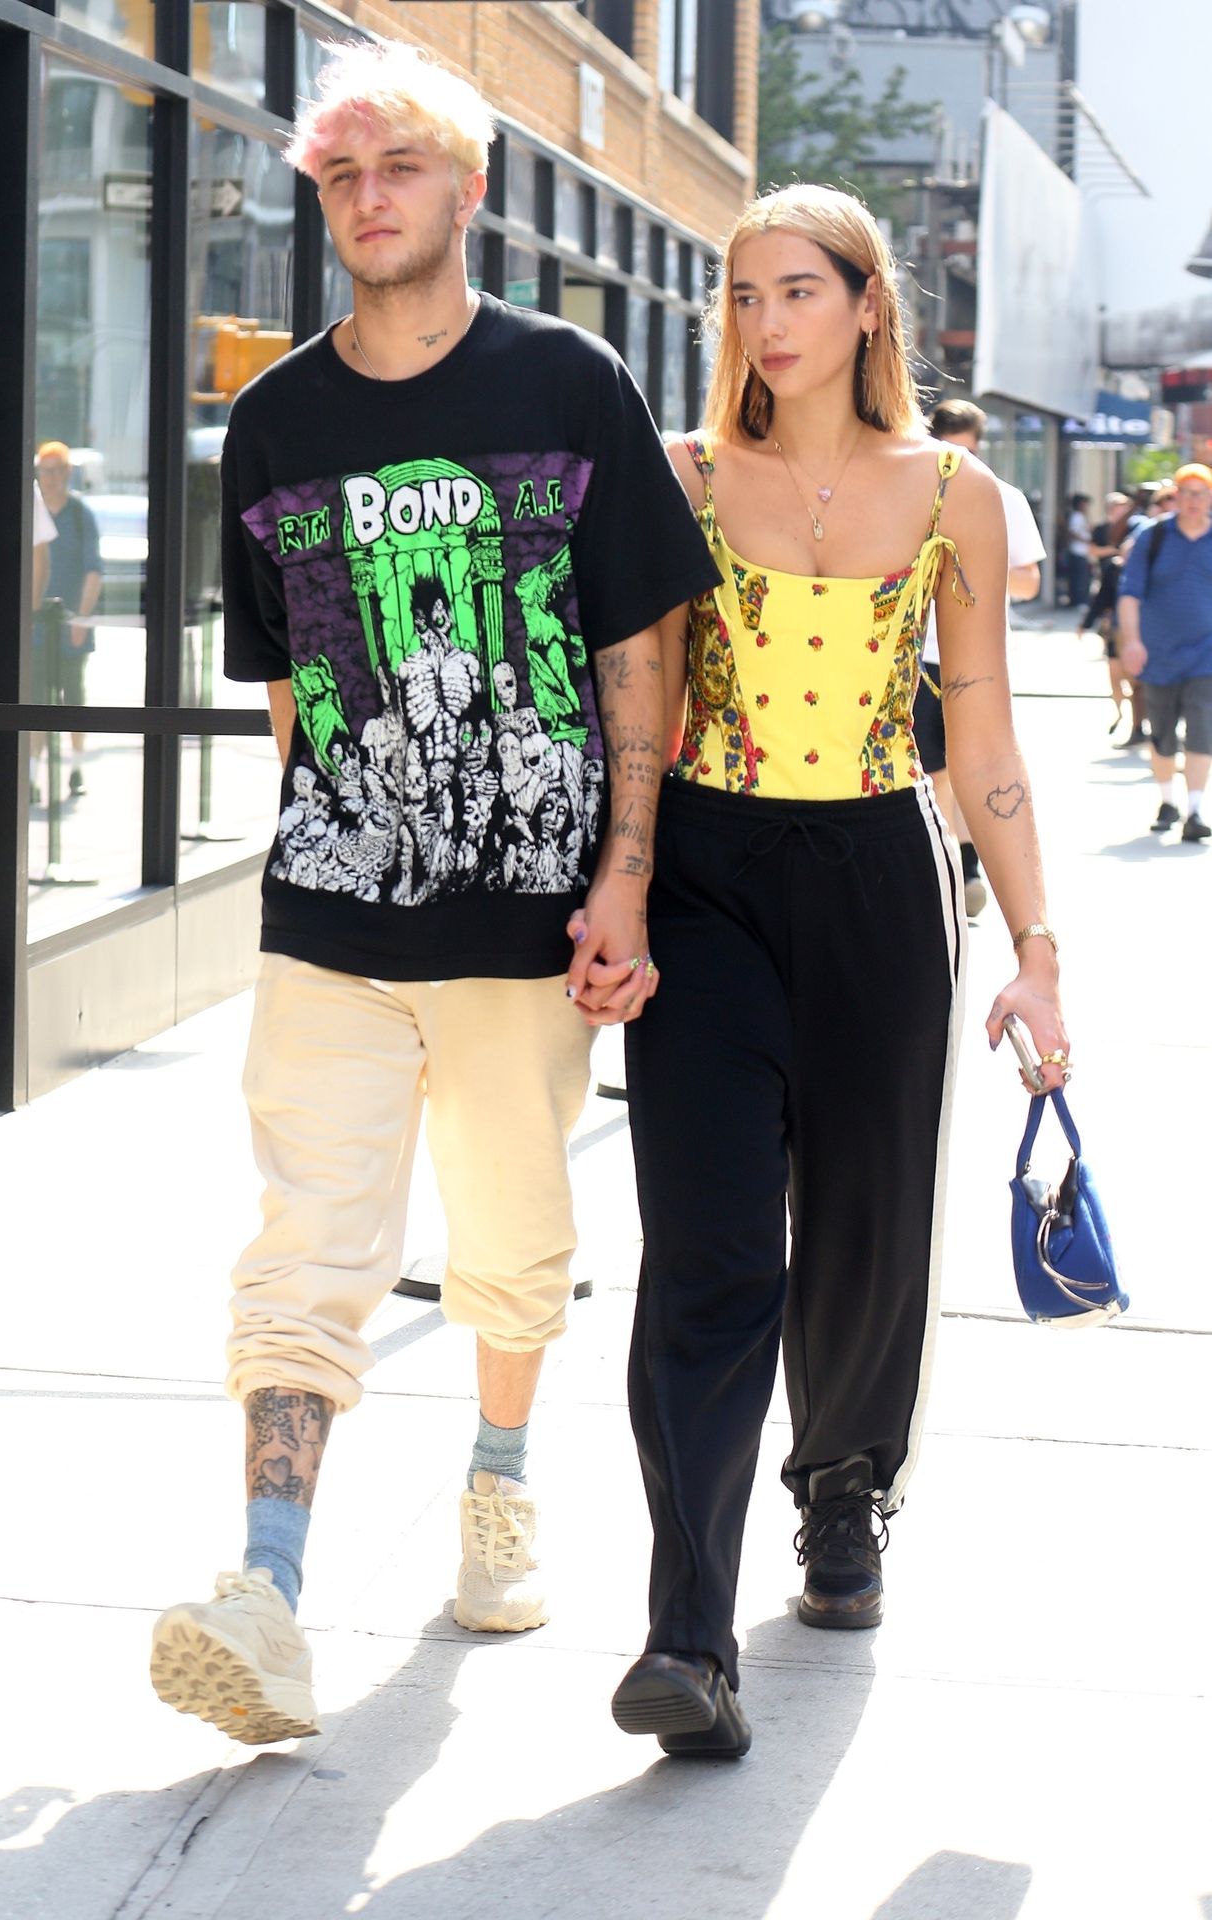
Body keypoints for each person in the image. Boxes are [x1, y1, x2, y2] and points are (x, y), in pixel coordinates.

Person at [148, 39, 718, 1747]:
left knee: (512, 1235)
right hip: (331, 914)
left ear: (467, 191)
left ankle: (498, 1483)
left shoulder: (567, 382)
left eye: (395, 166)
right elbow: (288, 689)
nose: (365, 196)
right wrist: (343, 835)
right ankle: (264, 1589)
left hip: (525, 918)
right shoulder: (274, 419)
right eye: (339, 174)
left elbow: (640, 649)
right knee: (302, 1249)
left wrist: (623, 880)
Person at [608, 185, 1069, 1760]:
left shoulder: (954, 496)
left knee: (867, 1229)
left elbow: (980, 733)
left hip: (879, 875)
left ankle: (841, 1495)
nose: (764, 323)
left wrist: (1035, 951)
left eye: (795, 290)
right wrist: (621, 889)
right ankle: (684, 1633)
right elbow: (642, 709)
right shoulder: (679, 480)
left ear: (867, 303)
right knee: (708, 1247)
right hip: (706, 876)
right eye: (741, 297)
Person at [915, 398, 1046, 918]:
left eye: (968, 451)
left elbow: (1030, 582)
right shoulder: (911, 490)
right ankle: (951, 870)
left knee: (971, 764)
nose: (959, 462)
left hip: (980, 656)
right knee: (936, 771)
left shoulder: (1002, 496)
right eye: (950, 450)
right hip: (918, 655)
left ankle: (964, 867)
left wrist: (975, 563)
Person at [1117, 462, 1212, 843]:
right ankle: (1168, 802)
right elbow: (1129, 594)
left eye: (1200, 494)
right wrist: (1132, 641)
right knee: (1162, 734)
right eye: (1185, 493)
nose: (1193, 501)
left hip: (1205, 656)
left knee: (1202, 731)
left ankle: (1195, 810)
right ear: (1176, 496)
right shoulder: (1153, 537)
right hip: (1158, 655)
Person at [34, 440, 102, 798]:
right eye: (45, 471)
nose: (52, 478)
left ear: (68, 473)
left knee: (73, 697)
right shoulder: (32, 512)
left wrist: (81, 618)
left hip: (72, 623)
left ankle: (76, 768)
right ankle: (32, 774)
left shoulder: (79, 514)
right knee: (35, 698)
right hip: (37, 626)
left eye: (58, 470)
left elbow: (94, 570)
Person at [1079, 490, 1142, 742]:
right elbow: (1102, 591)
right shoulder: (1106, 537)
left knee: (1135, 680)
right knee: (1114, 672)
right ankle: (1121, 713)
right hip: (1112, 614)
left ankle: (1137, 724)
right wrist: (1085, 623)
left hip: (1137, 622)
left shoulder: (1139, 531)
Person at [1064, 492, 1093, 607]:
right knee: (1079, 578)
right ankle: (1078, 601)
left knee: (1082, 577)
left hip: (1082, 552)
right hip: (1077, 551)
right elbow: (1073, 532)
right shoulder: (1076, 516)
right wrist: (1086, 540)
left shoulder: (1081, 516)